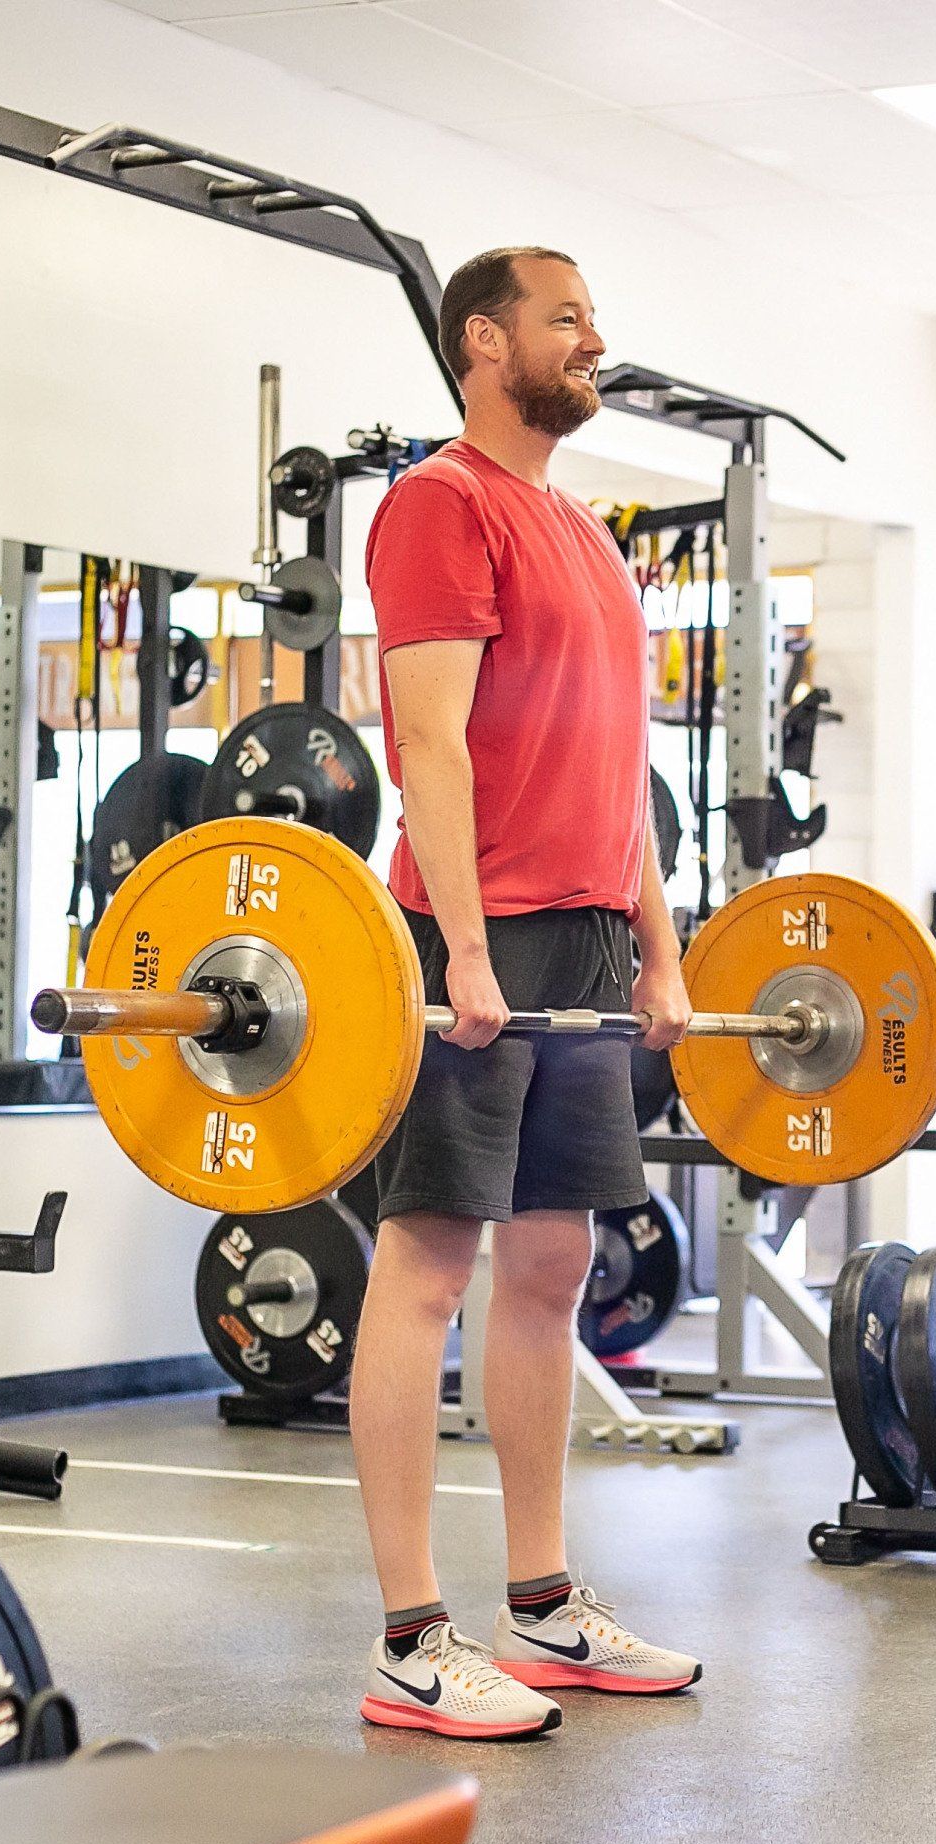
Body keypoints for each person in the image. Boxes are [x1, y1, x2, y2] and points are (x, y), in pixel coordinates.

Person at [350, 246, 701, 1736]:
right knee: (426, 1268)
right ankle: (410, 1638)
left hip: (586, 944)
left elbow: (617, 772)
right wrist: (470, 953)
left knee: (552, 1270)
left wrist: (663, 944)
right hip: (465, 940)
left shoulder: (587, 534)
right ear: (488, 342)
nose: (595, 339)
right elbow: (428, 741)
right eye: (569, 319)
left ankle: (546, 1604)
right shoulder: (441, 507)